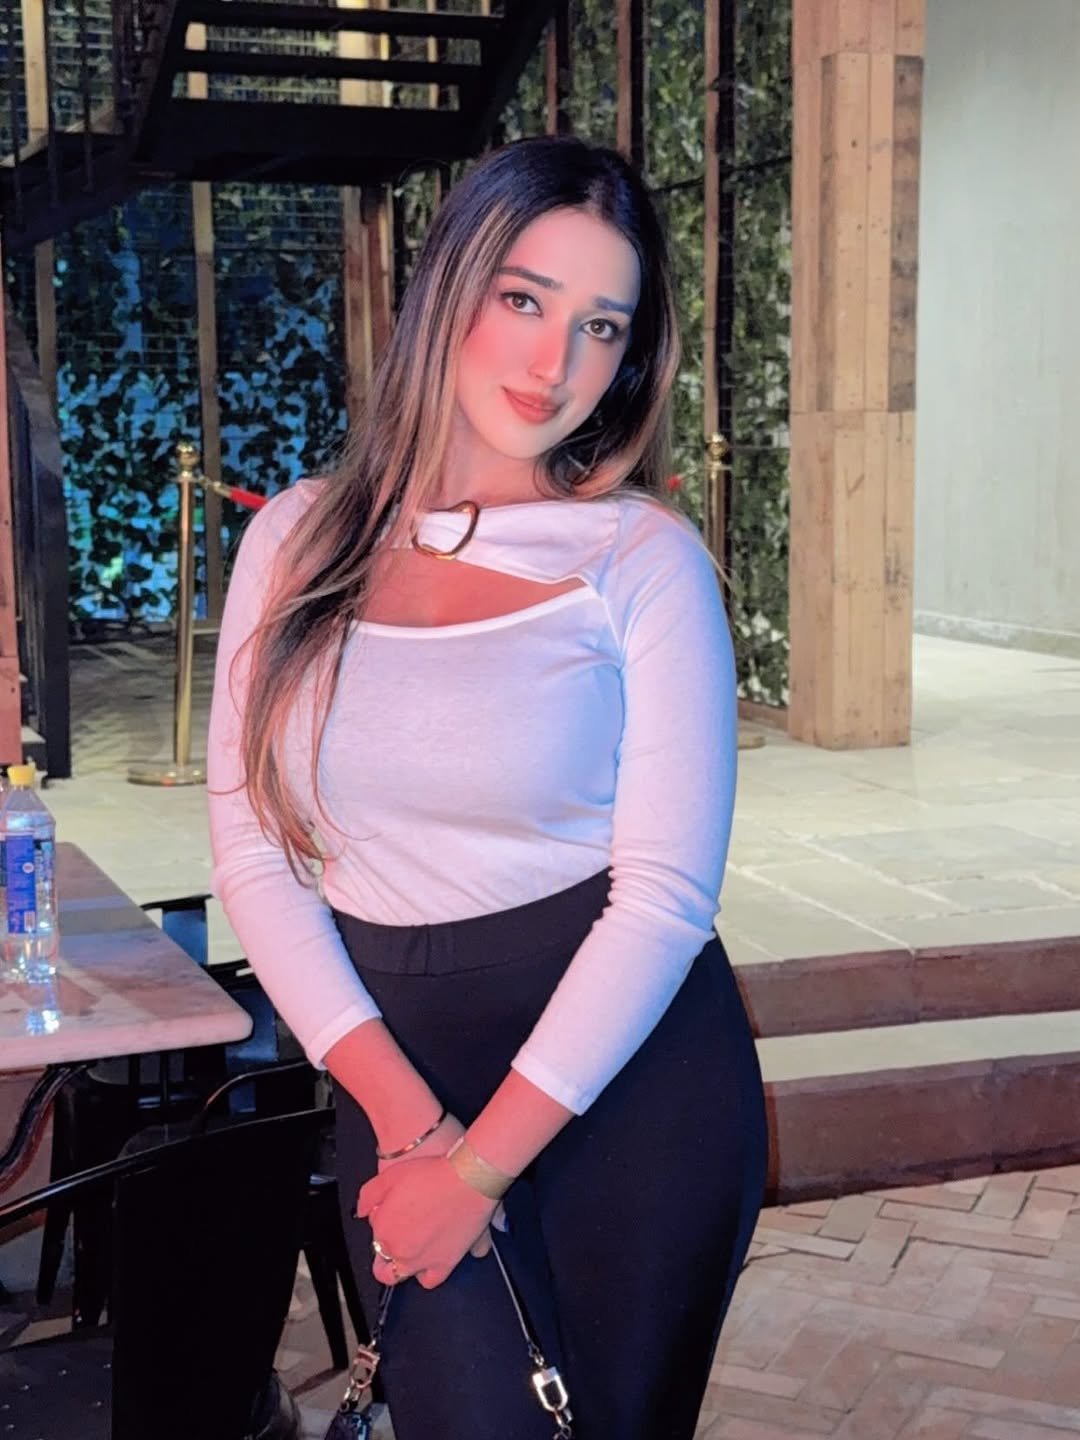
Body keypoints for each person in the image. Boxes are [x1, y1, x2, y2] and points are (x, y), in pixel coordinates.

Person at [207, 133, 767, 1440]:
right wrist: (419, 1137)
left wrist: (479, 1164)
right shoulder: (294, 540)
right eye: (525, 299)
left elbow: (665, 898)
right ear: (450, 287)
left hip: (628, 1084)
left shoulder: (639, 559)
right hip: (395, 1070)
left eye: (600, 326)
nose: (554, 363)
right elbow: (253, 858)